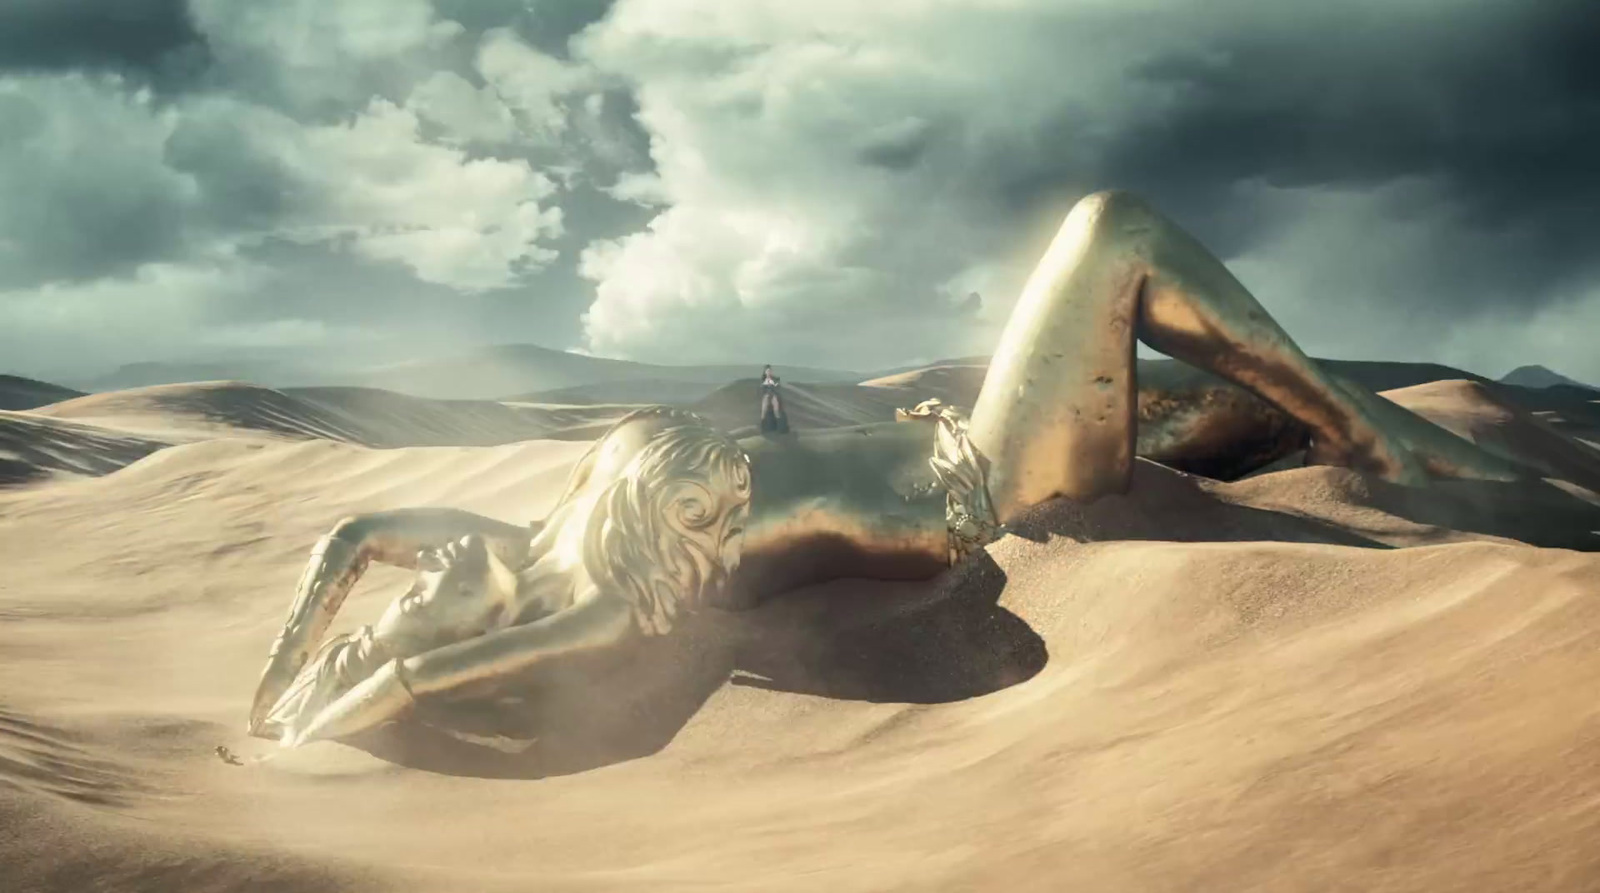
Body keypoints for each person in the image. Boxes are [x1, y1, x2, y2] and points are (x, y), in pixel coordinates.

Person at [247, 190, 1530, 748]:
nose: (413, 588)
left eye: (409, 595)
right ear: (482, 637)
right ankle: (1389, 442)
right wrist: (323, 714)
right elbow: (423, 664)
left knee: (1204, 410)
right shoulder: (603, 600)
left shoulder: (546, 524)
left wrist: (288, 664)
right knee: (1109, 234)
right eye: (423, 614)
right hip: (978, 480)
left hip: (947, 425)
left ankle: (1333, 427)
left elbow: (358, 533)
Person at [758, 365, 789, 434]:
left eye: (770, 371)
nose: (769, 372)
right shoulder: (763, 380)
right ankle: (763, 426)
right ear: (765, 372)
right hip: (767, 395)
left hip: (774, 395)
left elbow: (777, 387)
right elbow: (762, 389)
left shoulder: (775, 379)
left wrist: (774, 387)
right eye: (767, 371)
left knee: (776, 408)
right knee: (764, 407)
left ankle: (779, 427)